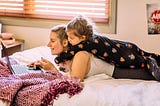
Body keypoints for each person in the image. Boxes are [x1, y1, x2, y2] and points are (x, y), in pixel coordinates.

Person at [28, 24, 158, 82]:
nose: (48, 45)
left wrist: (52, 69)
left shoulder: (80, 54)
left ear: (65, 42)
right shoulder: (69, 56)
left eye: (52, 41)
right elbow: (66, 71)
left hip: (124, 71)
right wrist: (44, 67)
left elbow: (75, 80)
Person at [54, 15, 160, 81]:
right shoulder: (90, 39)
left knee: (144, 64)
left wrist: (58, 59)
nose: (69, 40)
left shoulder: (85, 44)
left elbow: (71, 54)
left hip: (125, 55)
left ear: (82, 37)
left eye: (71, 38)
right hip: (127, 47)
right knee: (148, 54)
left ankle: (150, 62)